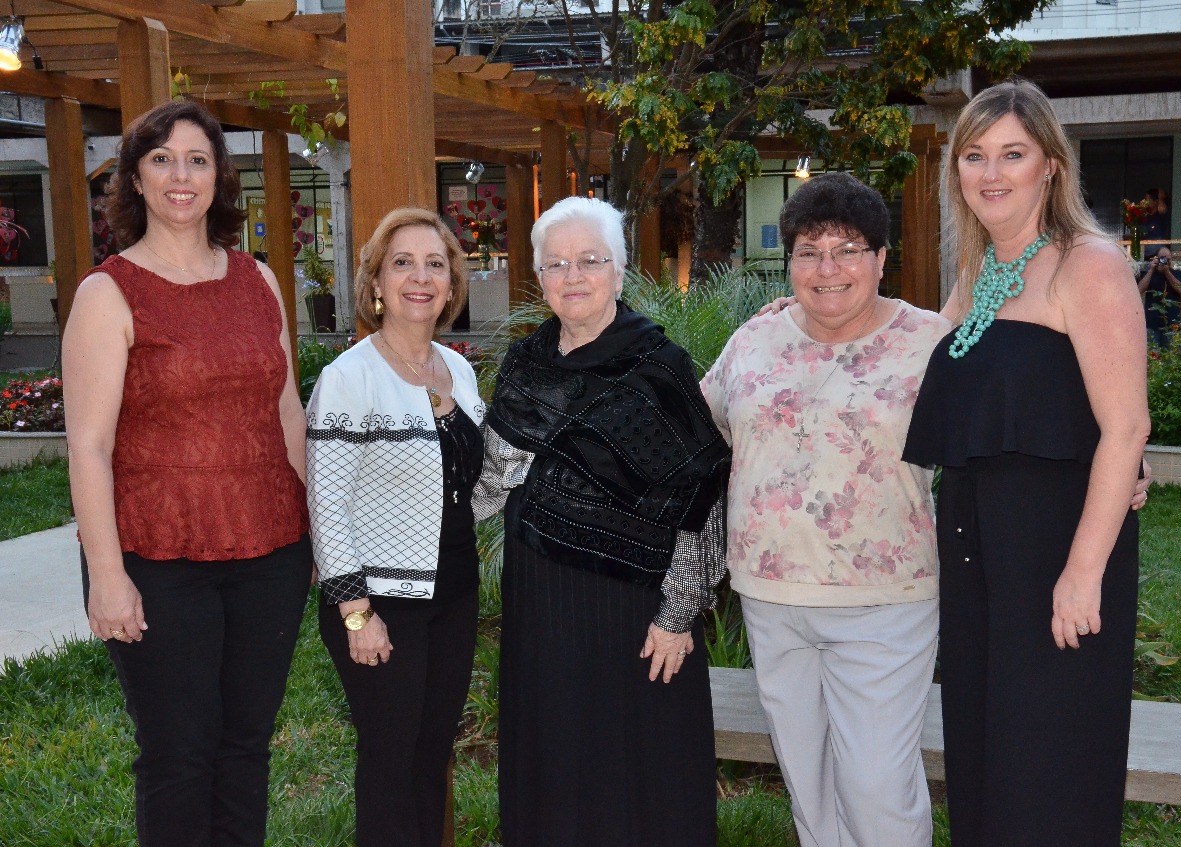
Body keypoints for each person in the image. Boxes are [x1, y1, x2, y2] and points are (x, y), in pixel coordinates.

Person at [902, 79, 1149, 846]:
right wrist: (811, 310)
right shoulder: (979, 275)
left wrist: (1083, 571)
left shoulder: (1090, 265)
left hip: (1055, 546)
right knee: (983, 745)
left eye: (1013, 153)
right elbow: (912, 353)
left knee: (1049, 757)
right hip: (978, 545)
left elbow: (1126, 426)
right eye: (973, 155)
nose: (992, 172)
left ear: (1051, 165)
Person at [62, 100, 312, 846]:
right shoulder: (108, 294)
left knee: (246, 746)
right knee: (178, 753)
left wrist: (319, 536)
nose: (181, 175)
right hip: (157, 557)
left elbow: (288, 412)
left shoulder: (258, 280)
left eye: (198, 159)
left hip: (270, 550)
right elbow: (88, 448)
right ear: (135, 179)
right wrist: (106, 575)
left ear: (218, 178)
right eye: (162, 158)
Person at [701, 171, 951, 847]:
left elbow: (1013, 417)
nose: (827, 268)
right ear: (789, 263)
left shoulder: (931, 342)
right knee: (808, 784)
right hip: (771, 595)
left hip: (884, 602)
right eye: (809, 251)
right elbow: (693, 433)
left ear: (879, 257)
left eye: (847, 249)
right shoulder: (755, 339)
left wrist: (1119, 452)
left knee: (876, 785)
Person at [474, 196, 731, 847]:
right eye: (556, 263)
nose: (573, 275)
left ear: (618, 272)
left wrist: (678, 613)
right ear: (540, 276)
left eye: (590, 260)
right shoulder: (527, 365)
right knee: (555, 752)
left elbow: (698, 493)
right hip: (545, 605)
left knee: (640, 765)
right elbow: (491, 477)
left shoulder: (657, 367)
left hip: (639, 610)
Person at [305, 207, 482, 847]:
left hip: (454, 594)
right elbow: (326, 502)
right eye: (402, 263)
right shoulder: (349, 377)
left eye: (436, 264)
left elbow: (477, 481)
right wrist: (356, 613)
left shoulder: (457, 370)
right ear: (376, 282)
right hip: (380, 603)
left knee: (431, 754)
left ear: (451, 284)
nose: (421, 277)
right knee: (389, 759)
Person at [1139, 246, 1181, 347]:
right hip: (1152, 323)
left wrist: (1167, 272)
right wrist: (1151, 269)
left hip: (1171, 323)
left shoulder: (1177, 273)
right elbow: (1139, 290)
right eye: (1163, 259)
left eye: (1168, 259)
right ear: (1157, 258)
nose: (1165, 262)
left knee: (1171, 357)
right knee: (1153, 357)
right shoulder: (1150, 274)